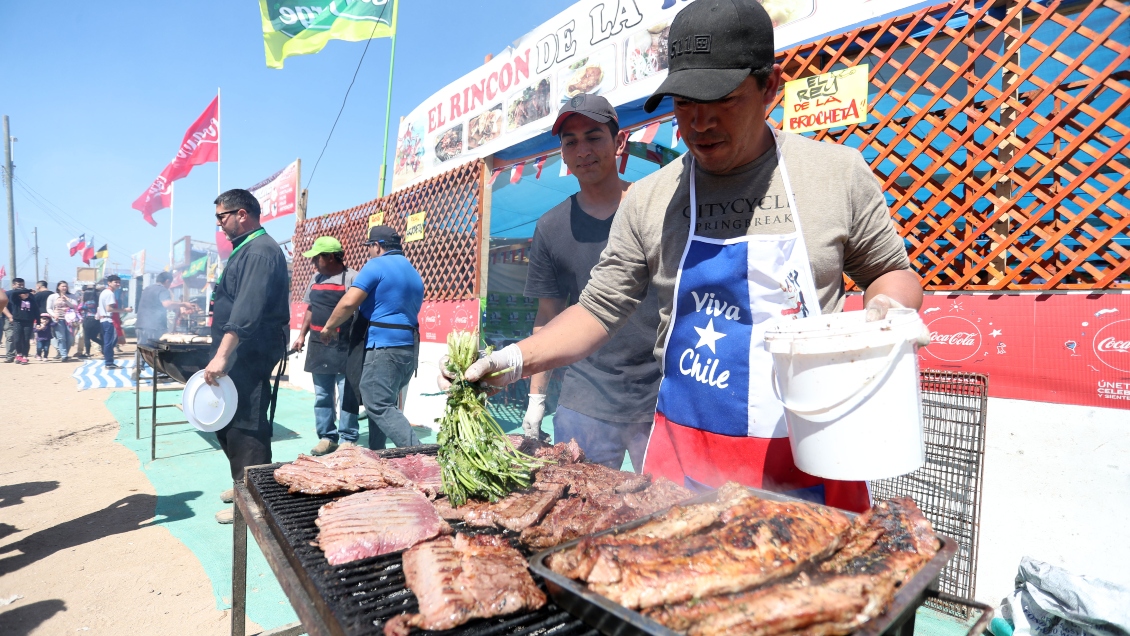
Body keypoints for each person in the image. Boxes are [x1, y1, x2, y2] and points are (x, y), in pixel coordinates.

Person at [439, 0, 922, 513]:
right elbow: (598, 309)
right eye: (685, 103)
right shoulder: (650, 199)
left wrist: (886, 316)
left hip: (807, 454)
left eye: (722, 100)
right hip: (684, 468)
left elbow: (891, 272)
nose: (700, 122)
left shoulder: (835, 175)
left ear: (771, 88)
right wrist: (515, 359)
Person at [520, 94, 662, 471]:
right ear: (563, 155)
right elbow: (548, 315)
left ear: (619, 142)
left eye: (593, 136)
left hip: (660, 394)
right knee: (579, 510)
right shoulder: (551, 227)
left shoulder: (654, 207)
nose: (582, 149)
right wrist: (536, 400)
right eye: (570, 142)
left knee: (671, 510)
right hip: (586, 400)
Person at [204, 189, 290, 524]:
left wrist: (223, 355)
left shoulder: (259, 251)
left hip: (248, 352)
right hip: (240, 352)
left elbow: (247, 311)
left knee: (246, 426)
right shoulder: (247, 249)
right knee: (227, 422)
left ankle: (254, 500)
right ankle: (244, 484)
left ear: (242, 213)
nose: (219, 225)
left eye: (222, 217)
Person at [320, 226, 423, 451]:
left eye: (370, 247)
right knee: (386, 402)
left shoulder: (376, 265)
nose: (369, 252)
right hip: (408, 349)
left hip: (383, 347)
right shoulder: (412, 270)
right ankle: (379, 455)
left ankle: (420, 454)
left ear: (377, 246)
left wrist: (328, 327)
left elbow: (349, 302)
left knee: (377, 403)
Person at [290, 236, 360, 456]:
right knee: (322, 395)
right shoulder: (316, 278)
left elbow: (357, 311)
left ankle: (348, 438)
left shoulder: (352, 278)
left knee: (347, 393)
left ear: (330, 257)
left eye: (316, 258)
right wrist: (301, 335)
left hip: (344, 346)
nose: (313, 263)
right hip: (319, 345)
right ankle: (327, 437)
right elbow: (310, 309)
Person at [135, 271, 196, 348]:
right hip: (154, 327)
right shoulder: (162, 289)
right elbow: (167, 304)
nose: (169, 286)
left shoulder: (148, 288)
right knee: (154, 350)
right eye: (170, 283)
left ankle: (139, 360)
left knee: (142, 350)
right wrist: (184, 304)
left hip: (141, 325)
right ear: (167, 281)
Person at [96, 275, 131, 369]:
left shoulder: (105, 292)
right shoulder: (110, 294)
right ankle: (109, 362)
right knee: (110, 342)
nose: (118, 284)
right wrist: (125, 310)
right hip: (109, 320)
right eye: (115, 282)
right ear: (109, 283)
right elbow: (109, 309)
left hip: (105, 320)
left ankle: (108, 362)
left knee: (109, 342)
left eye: (119, 282)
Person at [47, 281, 81, 361]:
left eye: (66, 286)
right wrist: (54, 315)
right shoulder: (52, 296)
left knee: (70, 338)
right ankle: (64, 355)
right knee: (61, 337)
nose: (64, 288)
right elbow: (49, 308)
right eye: (62, 286)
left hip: (69, 319)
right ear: (58, 287)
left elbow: (75, 306)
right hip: (58, 318)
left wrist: (67, 300)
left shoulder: (71, 296)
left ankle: (65, 352)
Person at [4, 279, 36, 364]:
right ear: (13, 285)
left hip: (25, 320)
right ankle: (10, 356)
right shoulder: (8, 294)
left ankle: (21, 356)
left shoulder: (28, 295)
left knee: (24, 338)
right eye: (19, 285)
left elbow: (33, 306)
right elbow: (3, 306)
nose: (21, 286)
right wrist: (9, 316)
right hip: (10, 317)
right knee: (11, 337)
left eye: (22, 284)